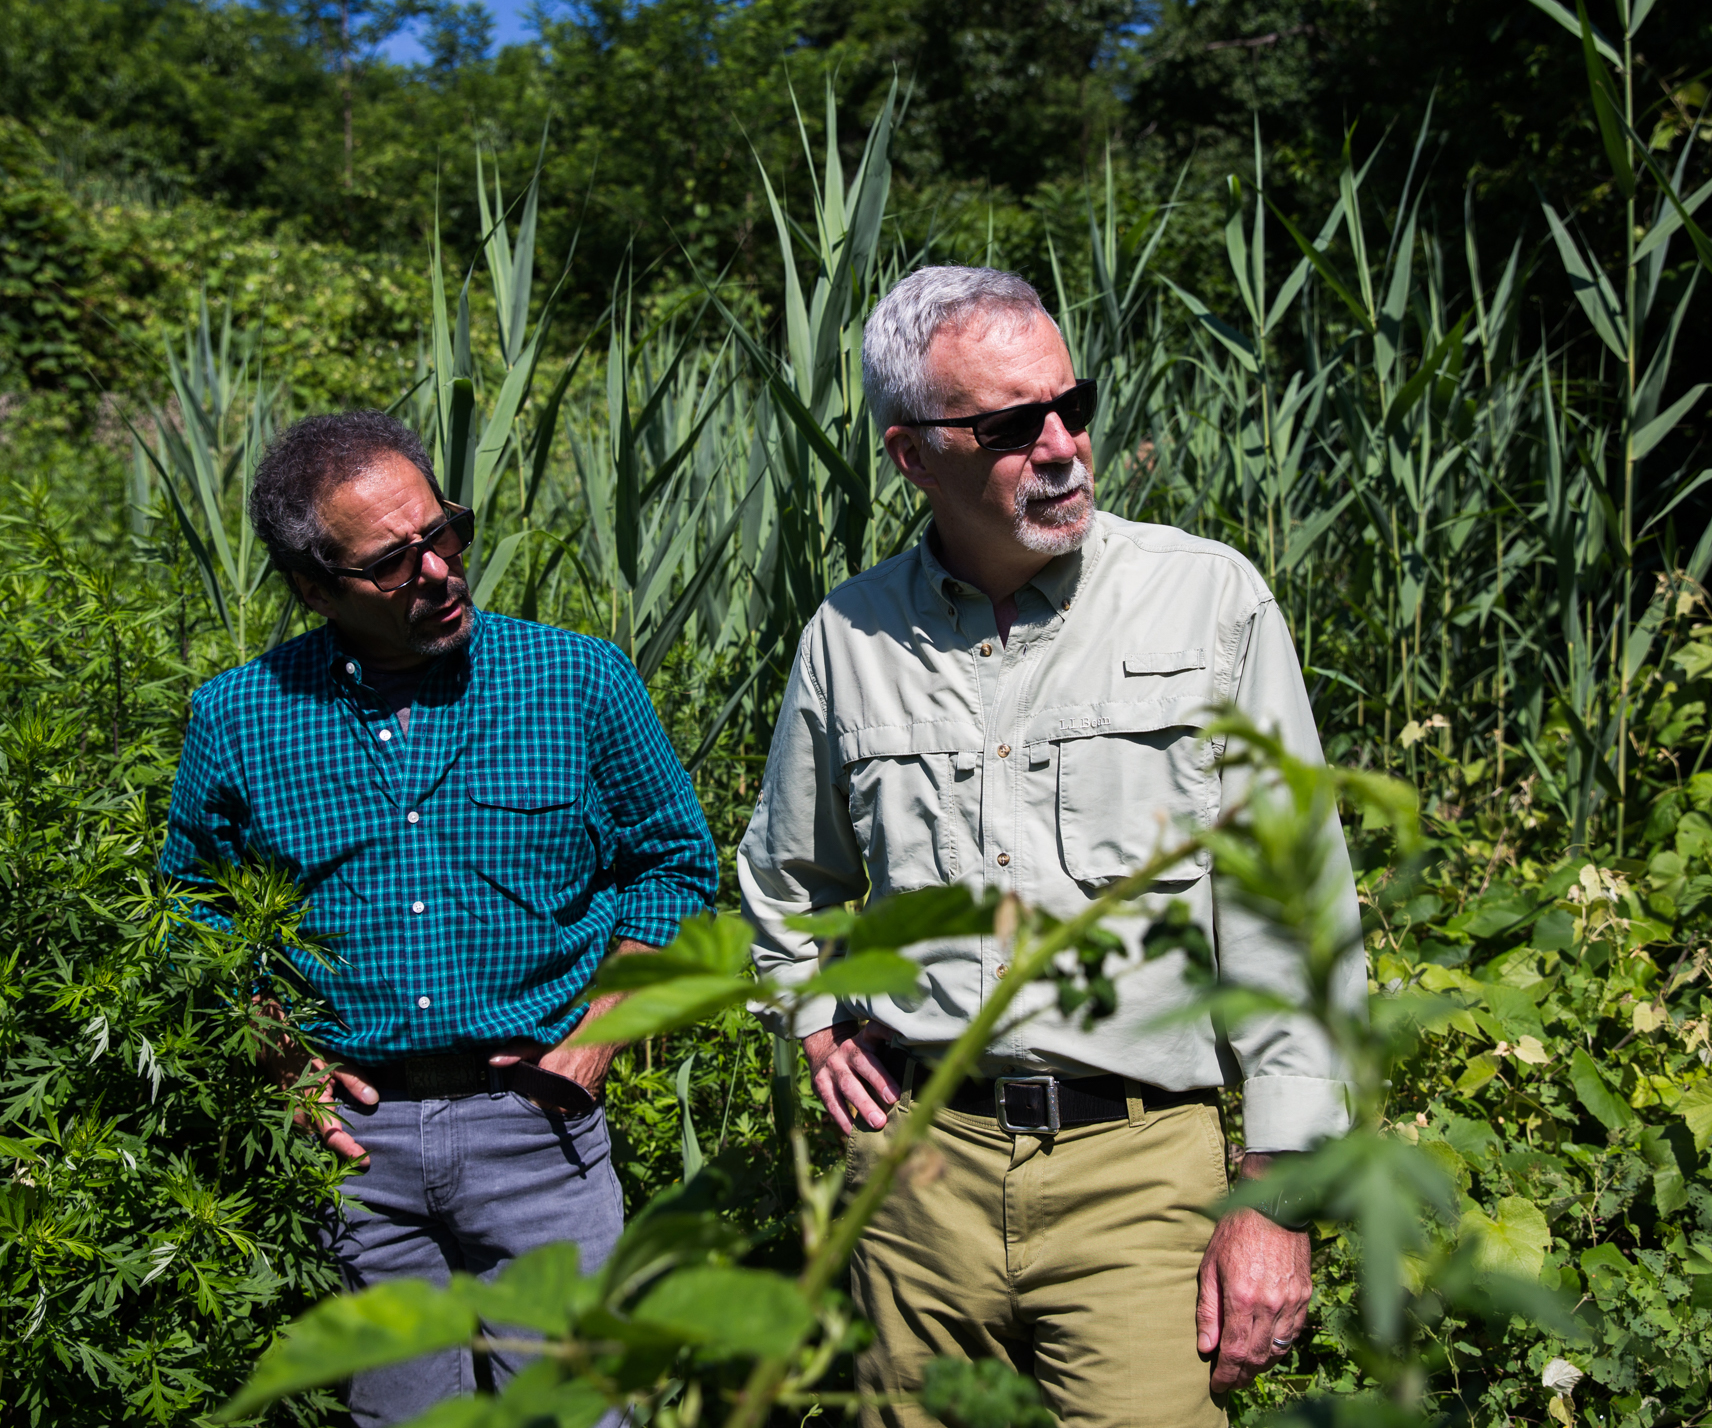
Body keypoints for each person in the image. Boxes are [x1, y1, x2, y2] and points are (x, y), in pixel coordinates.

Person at [738, 266, 1363, 1427]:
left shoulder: (1206, 601)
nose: (1063, 446)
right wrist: (813, 1015)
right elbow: (788, 876)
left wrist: (1277, 1195)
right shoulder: (849, 635)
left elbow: (1295, 915)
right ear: (912, 454)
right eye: (1011, 426)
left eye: (1072, 405)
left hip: (1142, 1175)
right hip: (915, 1181)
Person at [160, 411, 718, 1426]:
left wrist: (598, 1040)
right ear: (314, 588)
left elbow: (675, 867)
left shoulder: (577, 681)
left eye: (443, 532)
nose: (438, 569)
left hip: (537, 1125)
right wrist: (278, 1056)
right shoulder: (240, 717)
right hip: (356, 1151)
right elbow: (190, 911)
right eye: (391, 562)